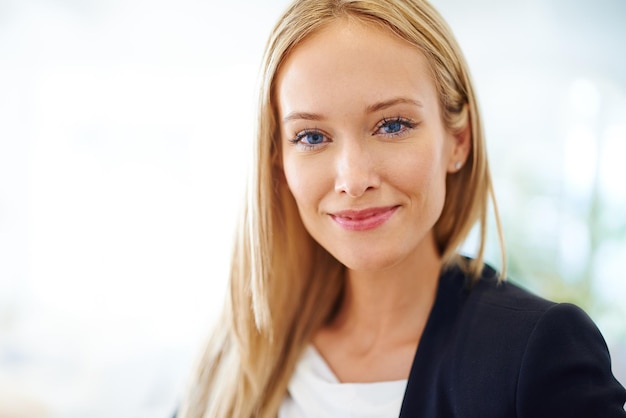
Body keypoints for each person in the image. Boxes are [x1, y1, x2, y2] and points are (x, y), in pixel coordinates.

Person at [177, 0, 626, 417]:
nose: (353, 179)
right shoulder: (234, 357)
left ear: (459, 141)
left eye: (392, 125)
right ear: (279, 162)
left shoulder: (537, 353)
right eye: (312, 136)